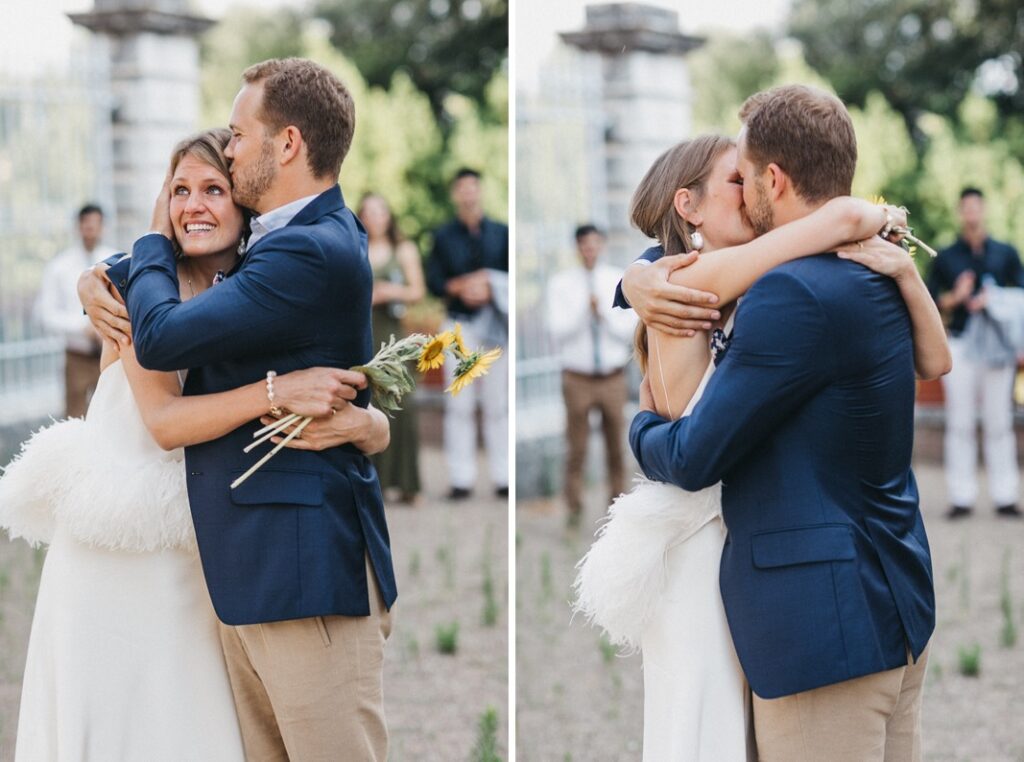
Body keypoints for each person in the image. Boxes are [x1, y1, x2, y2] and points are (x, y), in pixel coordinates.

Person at [578, 86, 949, 760]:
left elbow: (692, 458)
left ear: (772, 180)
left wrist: (639, 427)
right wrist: (636, 277)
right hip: (889, 598)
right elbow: (932, 361)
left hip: (822, 625)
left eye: (744, 175)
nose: (744, 190)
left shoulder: (789, 290)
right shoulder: (870, 268)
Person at [0, 128, 384, 760]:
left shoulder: (259, 285)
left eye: (213, 189)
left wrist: (373, 425)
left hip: (210, 542)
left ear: (245, 201)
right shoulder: (135, 288)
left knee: (193, 720)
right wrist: (277, 391)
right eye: (179, 190)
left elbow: (340, 382)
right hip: (118, 539)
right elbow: (164, 421)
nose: (193, 206)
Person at [928, 187, 1024, 519]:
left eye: (976, 207)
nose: (971, 213)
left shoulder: (1006, 253)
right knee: (960, 421)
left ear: (984, 209)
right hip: (961, 344)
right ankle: (962, 496)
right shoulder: (945, 256)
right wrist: (955, 297)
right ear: (960, 211)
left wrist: (994, 299)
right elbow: (928, 301)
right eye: (966, 207)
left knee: (999, 421)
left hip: (997, 348)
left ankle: (1005, 495)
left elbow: (1021, 296)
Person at [425, 168, 509, 500]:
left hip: (494, 325)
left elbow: (508, 275)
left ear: (480, 190)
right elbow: (433, 282)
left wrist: (488, 286)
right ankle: (461, 478)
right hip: (459, 326)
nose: (468, 193)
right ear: (455, 194)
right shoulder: (442, 236)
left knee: (497, 404)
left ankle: (503, 476)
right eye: (462, 188)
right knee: (459, 404)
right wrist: (460, 287)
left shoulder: (501, 232)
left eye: (473, 186)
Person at [546, 224, 635, 527]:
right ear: (577, 247)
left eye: (595, 243)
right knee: (576, 448)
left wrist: (603, 313)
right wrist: (585, 311)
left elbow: (628, 330)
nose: (590, 249)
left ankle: (617, 511)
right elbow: (557, 331)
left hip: (612, 376)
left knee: (616, 447)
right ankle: (573, 509)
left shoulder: (618, 279)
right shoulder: (561, 284)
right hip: (577, 378)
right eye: (585, 244)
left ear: (602, 246)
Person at [360, 191, 426, 504]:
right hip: (363, 331)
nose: (375, 217)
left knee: (402, 404)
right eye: (369, 212)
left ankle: (408, 483)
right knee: (369, 402)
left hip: (392, 333)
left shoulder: (404, 249)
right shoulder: (356, 246)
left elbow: (417, 291)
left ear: (389, 215)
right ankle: (377, 482)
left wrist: (387, 291)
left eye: (380, 211)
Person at [34, 203, 118, 417]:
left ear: (103, 227)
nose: (91, 229)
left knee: (112, 416)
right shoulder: (59, 267)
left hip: (111, 355)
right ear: (78, 227)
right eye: (86, 224)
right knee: (74, 418)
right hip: (77, 356)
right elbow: (47, 315)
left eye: (95, 224)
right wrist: (83, 327)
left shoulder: (115, 261)